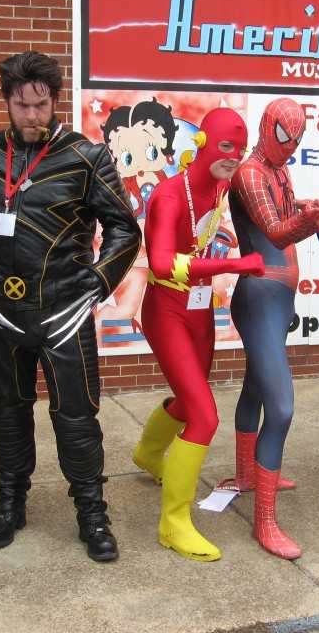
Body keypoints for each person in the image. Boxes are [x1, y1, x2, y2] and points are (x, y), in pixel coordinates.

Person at [0, 51, 141, 562]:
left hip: (64, 313)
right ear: (7, 102)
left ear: (54, 100)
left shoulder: (85, 155)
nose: (32, 115)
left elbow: (125, 228)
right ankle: (9, 504)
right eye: (21, 105)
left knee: (77, 417)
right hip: (3, 314)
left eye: (41, 104)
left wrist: (98, 281)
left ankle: (92, 514)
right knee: (7, 413)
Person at [132, 107, 265, 562]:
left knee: (191, 401)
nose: (234, 155)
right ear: (205, 142)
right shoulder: (170, 196)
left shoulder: (224, 188)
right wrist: (233, 264)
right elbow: (164, 263)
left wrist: (307, 217)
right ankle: (174, 523)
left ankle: (150, 453)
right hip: (167, 308)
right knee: (205, 417)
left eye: (240, 148)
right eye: (227, 145)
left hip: (199, 308)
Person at [219, 97, 319, 558]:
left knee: (256, 386)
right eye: (285, 136)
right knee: (282, 406)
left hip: (276, 296)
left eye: (298, 139)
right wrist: (311, 220)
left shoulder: (277, 168)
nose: (291, 147)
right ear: (268, 127)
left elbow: (289, 218)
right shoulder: (251, 173)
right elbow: (275, 231)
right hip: (260, 297)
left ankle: (248, 475)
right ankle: (265, 522)